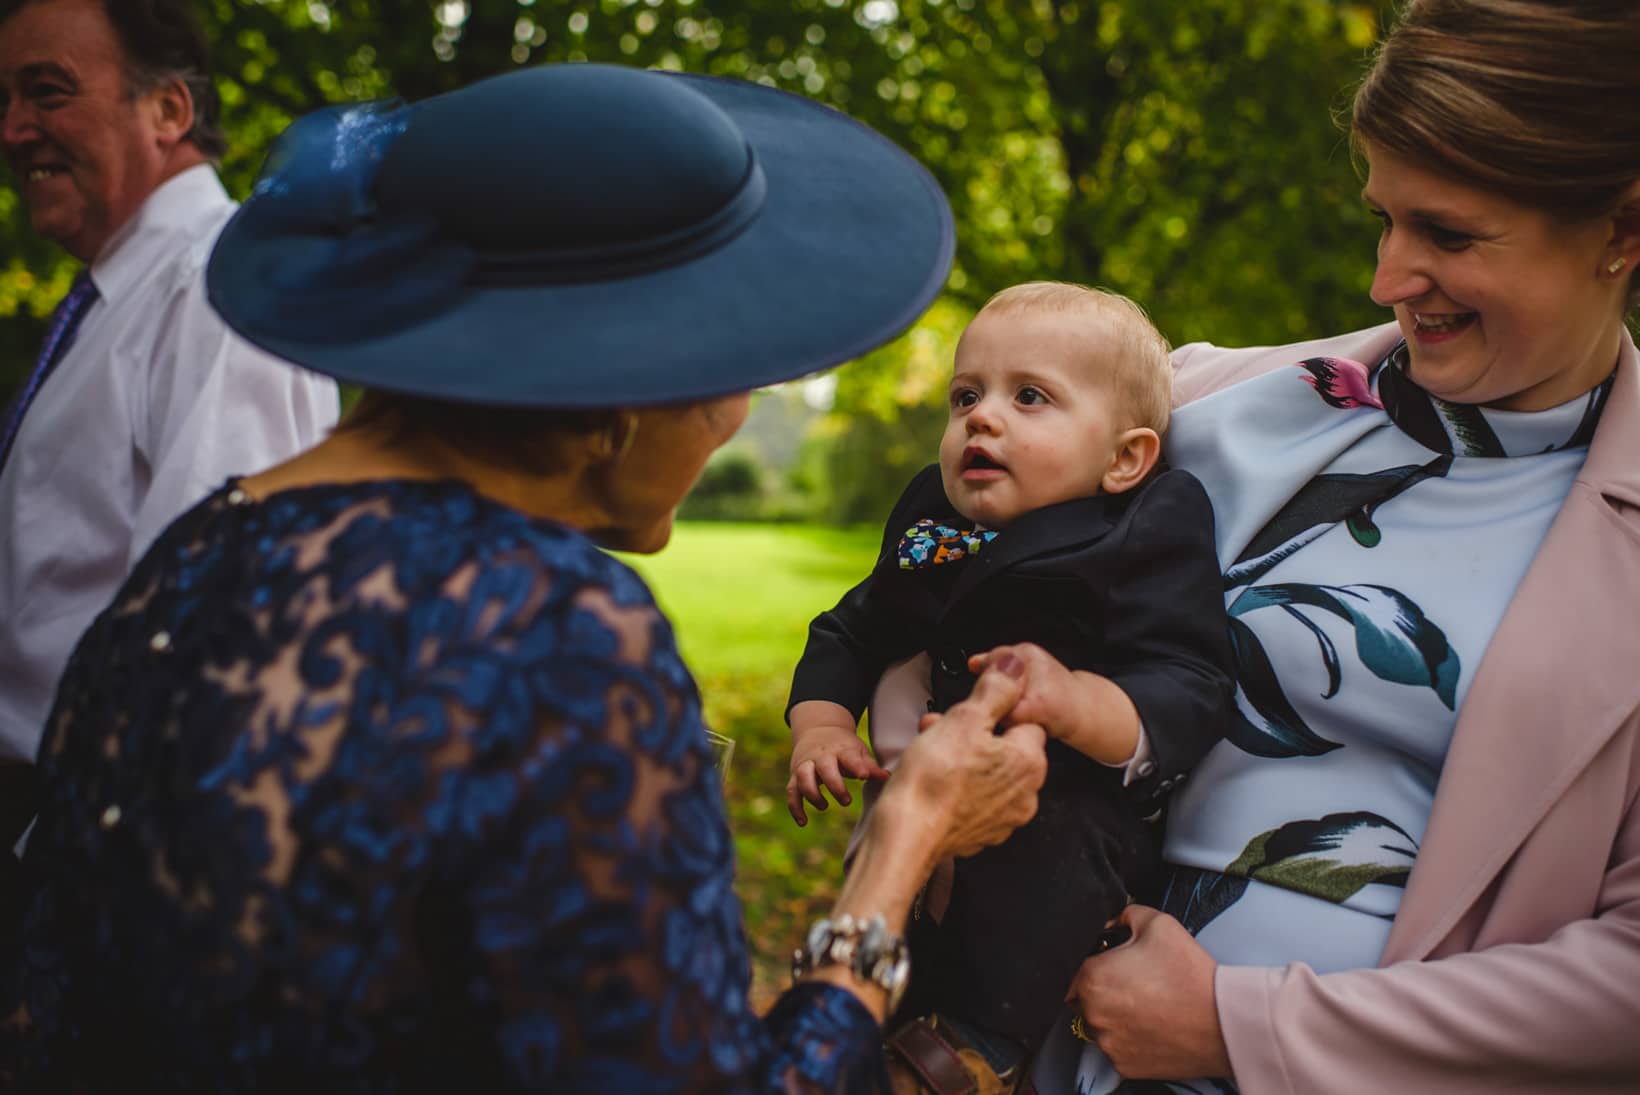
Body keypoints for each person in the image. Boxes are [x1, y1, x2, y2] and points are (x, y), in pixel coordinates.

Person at [0, 62, 1055, 1091]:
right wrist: (905, 837)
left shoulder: (186, 563)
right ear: (625, 394)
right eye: (737, 365)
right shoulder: (552, 631)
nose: (736, 414)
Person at [1014, 1, 1640, 1091]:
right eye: (1382, 218)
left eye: (1446, 235)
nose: (1387, 278)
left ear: (1623, 231)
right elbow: (943, 576)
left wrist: (1241, 1029)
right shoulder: (1199, 403)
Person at [784, 282, 1233, 1080]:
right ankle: (863, 1008)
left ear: (1125, 457)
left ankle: (977, 1045)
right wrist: (820, 724)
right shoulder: (934, 516)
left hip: (1062, 804)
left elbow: (1189, 678)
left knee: (1050, 863)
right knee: (906, 901)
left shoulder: (1146, 523)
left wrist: (1076, 700)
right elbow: (852, 626)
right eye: (966, 396)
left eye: (1030, 397)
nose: (981, 417)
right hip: (928, 792)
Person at [0, 0, 338, 839]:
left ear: (168, 111)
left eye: (46, 92)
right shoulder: (125, 294)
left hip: (81, 847)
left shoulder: (214, 291)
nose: (12, 131)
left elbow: (211, 641)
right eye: (4, 100)